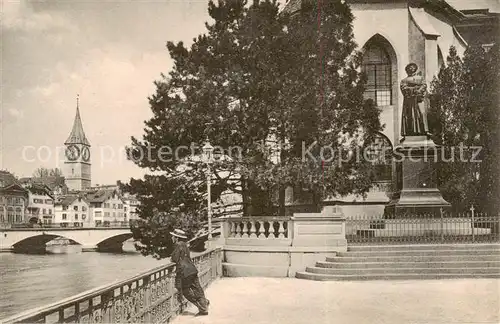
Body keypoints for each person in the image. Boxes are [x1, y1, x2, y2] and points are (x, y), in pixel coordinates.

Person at [170, 229, 210, 316]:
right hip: (192, 269)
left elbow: (174, 259)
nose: (171, 238)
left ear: (176, 238)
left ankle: (203, 308)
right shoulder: (185, 245)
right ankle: (204, 303)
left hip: (185, 272)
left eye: (173, 236)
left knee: (185, 291)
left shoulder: (178, 245)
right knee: (197, 288)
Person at [400, 63, 431, 139]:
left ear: (415, 68)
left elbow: (424, 85)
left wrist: (419, 91)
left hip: (418, 99)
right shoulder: (404, 80)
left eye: (413, 67)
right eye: (410, 67)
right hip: (409, 100)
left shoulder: (420, 78)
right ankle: (411, 132)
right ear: (407, 69)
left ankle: (425, 130)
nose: (411, 68)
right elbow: (404, 88)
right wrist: (414, 89)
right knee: (410, 115)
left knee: (422, 113)